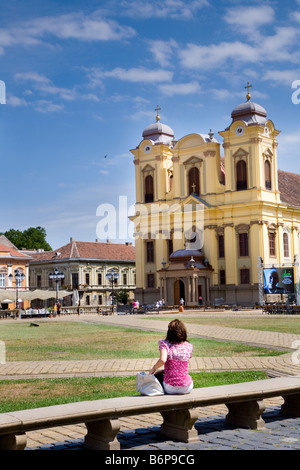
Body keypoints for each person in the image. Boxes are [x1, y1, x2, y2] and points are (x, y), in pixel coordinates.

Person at [149, 319, 193, 395]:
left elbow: (163, 360)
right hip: (187, 387)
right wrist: (164, 370)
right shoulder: (188, 346)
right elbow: (179, 366)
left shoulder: (165, 344)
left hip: (170, 388)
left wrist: (154, 368)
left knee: (158, 377)